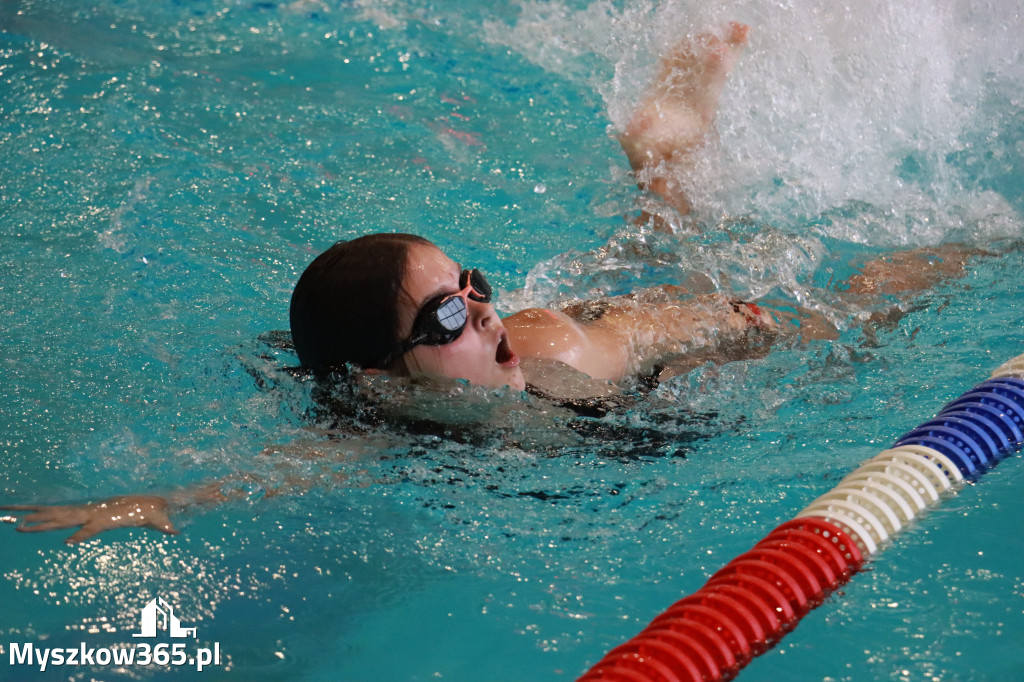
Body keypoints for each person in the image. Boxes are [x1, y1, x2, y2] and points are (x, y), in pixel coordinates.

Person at [1, 23, 980, 543]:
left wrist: (743, 327)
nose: (480, 308)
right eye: (443, 313)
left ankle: (668, 158)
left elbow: (695, 321)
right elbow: (257, 479)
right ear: (383, 379)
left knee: (831, 312)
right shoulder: (377, 431)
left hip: (639, 361)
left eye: (470, 284)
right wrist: (151, 503)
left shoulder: (551, 347)